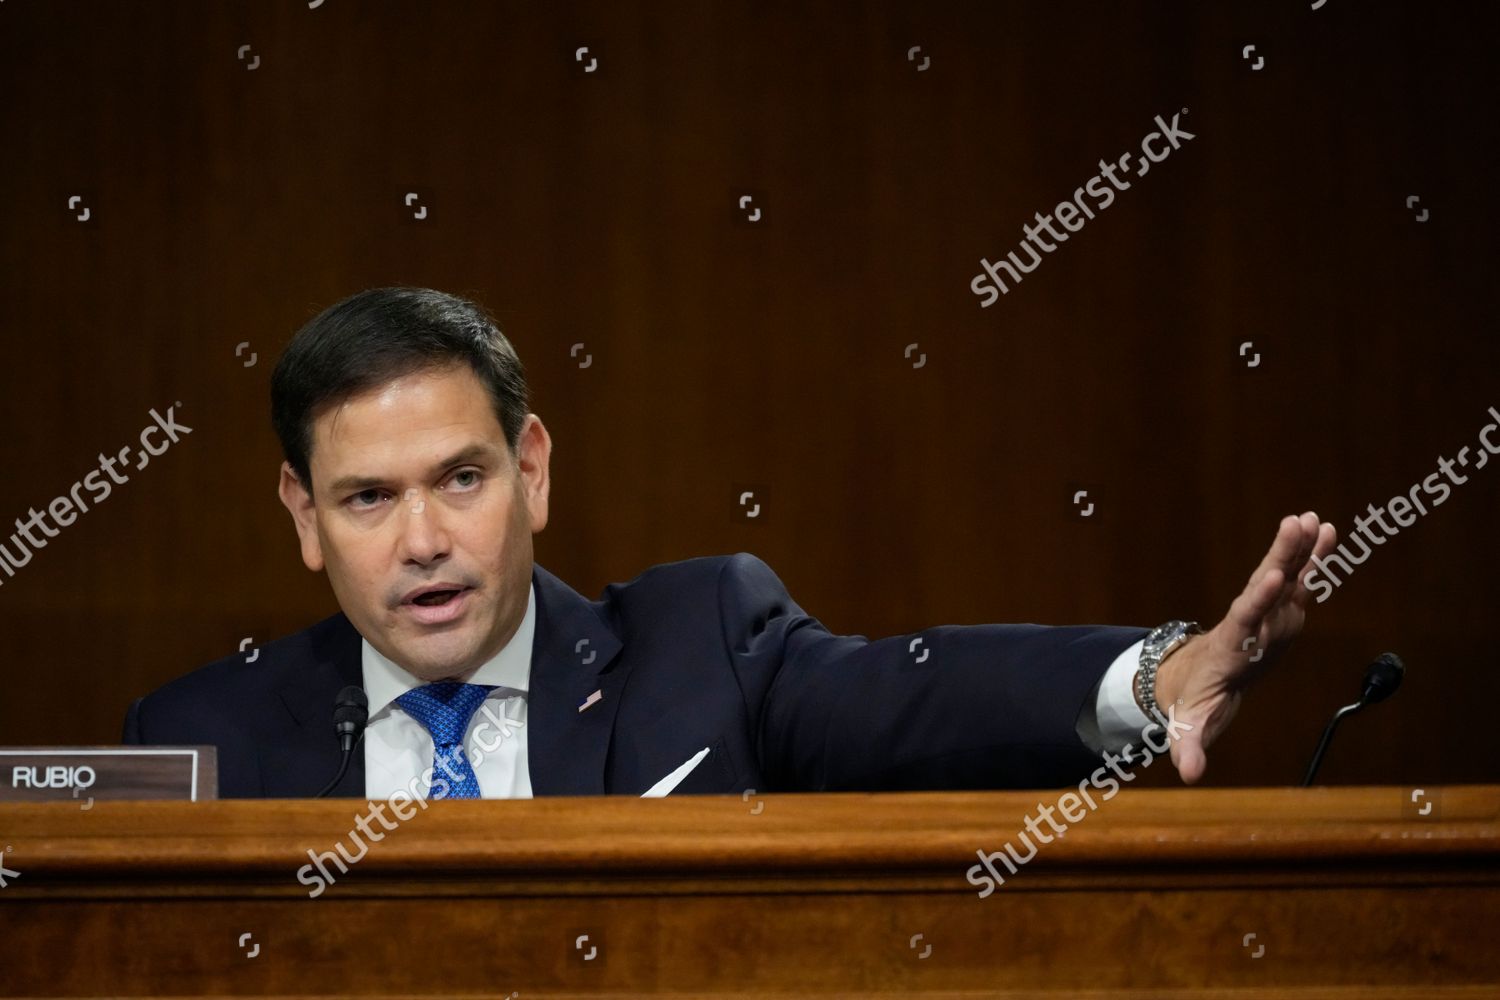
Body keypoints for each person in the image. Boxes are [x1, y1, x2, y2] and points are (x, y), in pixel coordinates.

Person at [122, 287, 1337, 799]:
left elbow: (914, 693)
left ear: (532, 470)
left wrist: (1160, 674)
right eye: (369, 499)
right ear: (302, 514)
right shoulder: (203, 742)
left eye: (462, 477)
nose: (426, 539)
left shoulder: (697, 649)